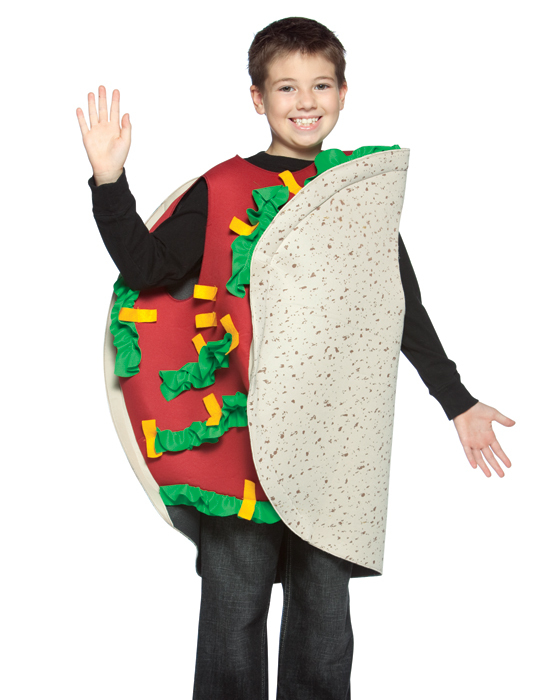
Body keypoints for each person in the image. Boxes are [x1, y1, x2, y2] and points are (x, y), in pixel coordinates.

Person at [77, 17, 515, 700]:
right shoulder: (222, 187)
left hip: (330, 443)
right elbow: (149, 267)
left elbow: (396, 305)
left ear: (343, 93)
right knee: (234, 610)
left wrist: (456, 401)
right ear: (258, 97)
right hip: (239, 441)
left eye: (321, 85)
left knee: (323, 623)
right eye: (286, 87)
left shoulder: (354, 191)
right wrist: (110, 181)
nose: (305, 101)